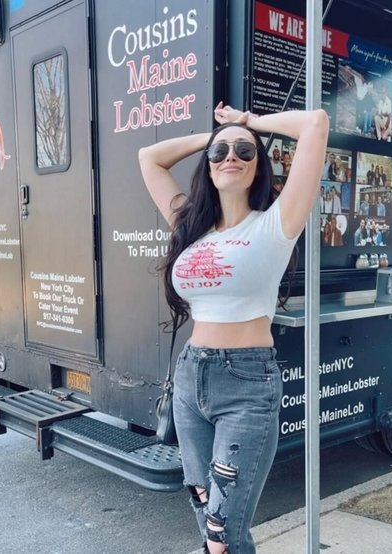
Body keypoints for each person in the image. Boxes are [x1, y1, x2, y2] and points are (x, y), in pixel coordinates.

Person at [139, 103, 329, 554]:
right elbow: (150, 157)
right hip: (190, 379)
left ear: (258, 165)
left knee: (222, 533)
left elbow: (315, 124)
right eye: (220, 152)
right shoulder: (190, 225)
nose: (231, 157)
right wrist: (213, 136)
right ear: (208, 164)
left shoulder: (277, 222)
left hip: (247, 384)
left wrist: (247, 123)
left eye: (245, 151)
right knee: (207, 516)